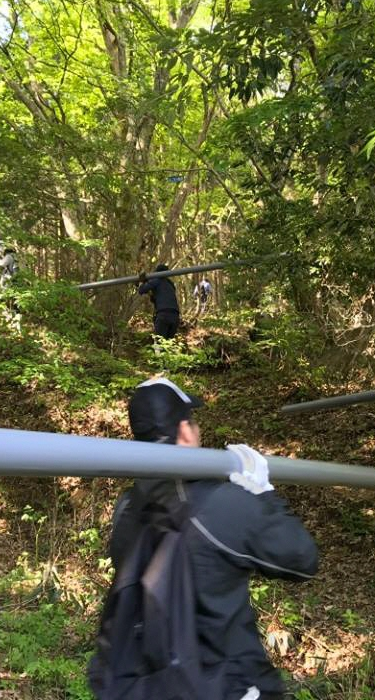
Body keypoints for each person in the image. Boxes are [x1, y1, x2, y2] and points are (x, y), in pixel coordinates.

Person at [90, 377, 318, 700]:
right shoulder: (221, 503)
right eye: (194, 423)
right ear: (184, 431)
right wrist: (263, 495)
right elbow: (303, 559)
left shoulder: (127, 506)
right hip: (227, 687)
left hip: (150, 687)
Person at [136, 264, 180, 340]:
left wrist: (141, 282)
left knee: (159, 343)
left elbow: (141, 290)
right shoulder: (170, 284)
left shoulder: (156, 281)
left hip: (163, 314)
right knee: (169, 344)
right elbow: (158, 296)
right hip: (175, 316)